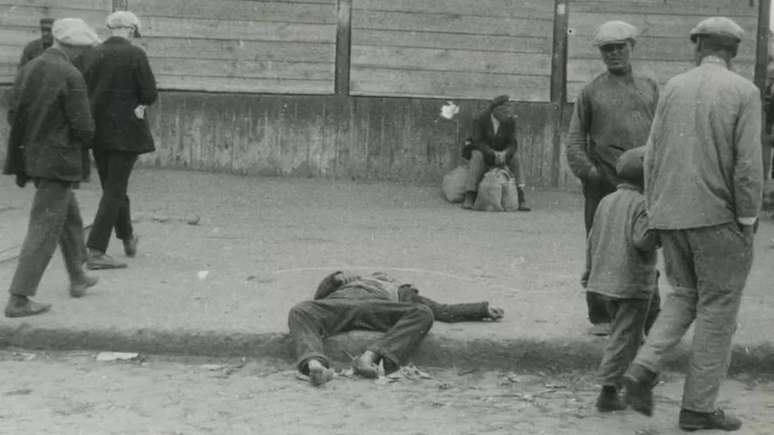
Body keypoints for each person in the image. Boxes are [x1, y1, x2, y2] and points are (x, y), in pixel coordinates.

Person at [622, 17, 763, 432]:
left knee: (684, 294)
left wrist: (656, 208)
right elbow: (748, 166)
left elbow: (652, 154)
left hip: (670, 214)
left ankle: (643, 367)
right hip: (718, 218)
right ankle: (698, 408)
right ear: (733, 51)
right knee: (718, 310)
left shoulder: (674, 87)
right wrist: (748, 219)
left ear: (697, 46)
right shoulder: (746, 92)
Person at [3, 18, 101, 318]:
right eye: (82, 49)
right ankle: (19, 298)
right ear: (70, 47)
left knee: (70, 219)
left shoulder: (29, 68)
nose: (83, 55)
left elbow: (13, 113)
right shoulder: (70, 74)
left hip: (34, 158)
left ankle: (77, 276)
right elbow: (84, 127)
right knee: (44, 228)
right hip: (60, 162)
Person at [565, 21, 659, 336]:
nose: (614, 54)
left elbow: (662, 135)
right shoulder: (591, 91)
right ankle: (601, 316)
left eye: (620, 47)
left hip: (644, 183)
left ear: (632, 47)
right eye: (608, 49)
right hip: (603, 183)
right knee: (600, 244)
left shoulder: (649, 87)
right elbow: (575, 141)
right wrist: (590, 175)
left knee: (644, 244)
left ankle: (646, 315)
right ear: (601, 54)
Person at [288, 271, 505, 386]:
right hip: (341, 304)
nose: (381, 277)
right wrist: (334, 279)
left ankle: (370, 357)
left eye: (386, 277)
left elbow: (443, 311)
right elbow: (318, 300)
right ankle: (315, 365)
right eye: (378, 275)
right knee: (300, 309)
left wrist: (482, 309)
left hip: (379, 308)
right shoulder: (349, 283)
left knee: (423, 312)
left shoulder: (400, 291)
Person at [581, 147, 660, 412]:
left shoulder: (606, 201)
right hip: (631, 284)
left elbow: (593, 239)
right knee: (624, 336)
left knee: (627, 334)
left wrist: (588, 271)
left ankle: (637, 378)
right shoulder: (643, 205)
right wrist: (660, 228)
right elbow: (643, 240)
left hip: (602, 282)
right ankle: (608, 390)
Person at [78, 10, 157, 270]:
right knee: (115, 189)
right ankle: (96, 250)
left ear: (110, 29)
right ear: (132, 30)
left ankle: (127, 238)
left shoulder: (91, 54)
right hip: (126, 132)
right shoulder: (136, 54)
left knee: (112, 187)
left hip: (97, 131)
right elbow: (149, 92)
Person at [461, 95, 530, 211]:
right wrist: (492, 153)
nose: (507, 113)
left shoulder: (510, 120)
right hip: (485, 154)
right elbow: (477, 141)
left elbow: (512, 143)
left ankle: (521, 196)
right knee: (476, 155)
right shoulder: (480, 119)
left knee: (516, 157)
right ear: (495, 110)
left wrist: (505, 153)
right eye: (504, 110)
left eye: (508, 109)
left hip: (502, 154)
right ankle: (470, 194)